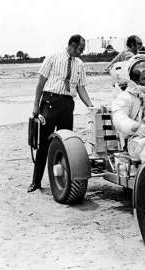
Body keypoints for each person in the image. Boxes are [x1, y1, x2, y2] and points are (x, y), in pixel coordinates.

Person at [28, 34, 93, 192]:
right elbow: (41, 83)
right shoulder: (53, 58)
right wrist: (36, 105)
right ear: (71, 44)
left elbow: (81, 88)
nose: (81, 52)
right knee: (44, 143)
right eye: (80, 49)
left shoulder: (80, 64)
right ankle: (36, 182)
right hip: (50, 101)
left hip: (67, 104)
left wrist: (91, 106)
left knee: (67, 144)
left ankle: (63, 182)